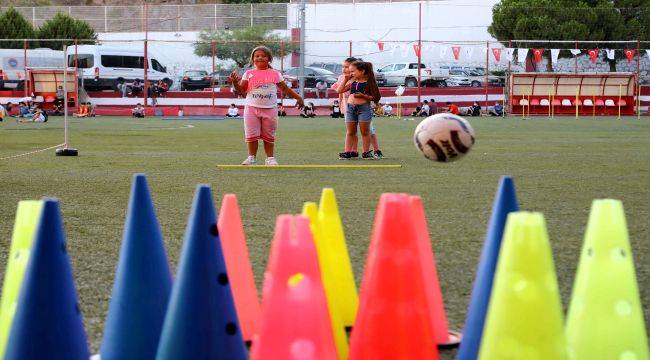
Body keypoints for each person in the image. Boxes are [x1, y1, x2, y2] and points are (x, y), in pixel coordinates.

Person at [230, 46, 304, 166]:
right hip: (251, 109)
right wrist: (234, 82)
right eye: (257, 56)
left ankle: (270, 158)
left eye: (263, 56)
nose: (260, 58)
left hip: (270, 110)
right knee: (251, 135)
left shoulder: (275, 74)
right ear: (252, 59)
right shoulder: (249, 73)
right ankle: (251, 157)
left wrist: (298, 97)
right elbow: (241, 91)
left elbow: (285, 89)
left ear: (269, 59)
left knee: (268, 135)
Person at [332, 57, 384, 159]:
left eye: (352, 71)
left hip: (364, 108)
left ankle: (366, 152)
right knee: (350, 132)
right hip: (350, 108)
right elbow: (339, 90)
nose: (350, 73)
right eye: (349, 71)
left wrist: (363, 96)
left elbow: (376, 97)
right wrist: (346, 80)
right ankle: (347, 152)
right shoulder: (352, 82)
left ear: (362, 71)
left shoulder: (369, 82)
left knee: (365, 132)